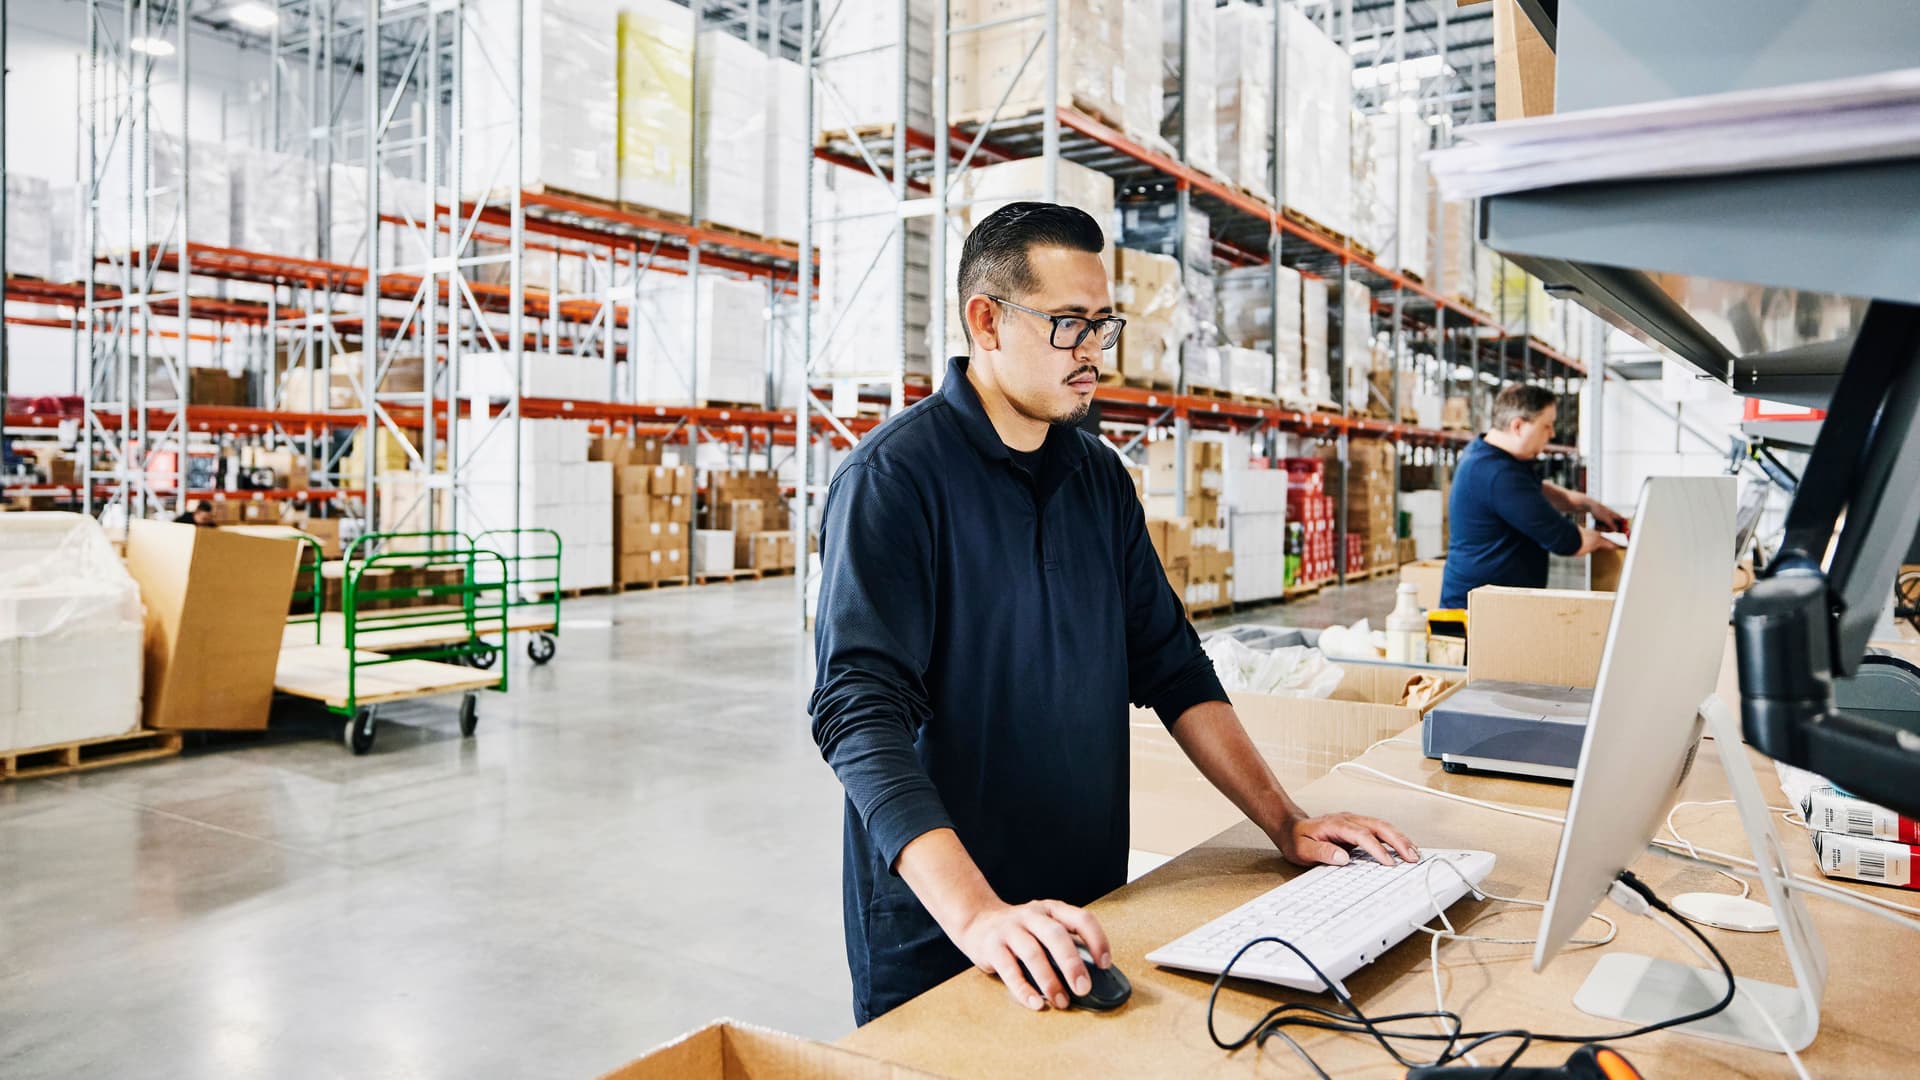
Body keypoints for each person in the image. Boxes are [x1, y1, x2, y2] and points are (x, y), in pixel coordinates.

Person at [809, 201, 1420, 1026]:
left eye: (1103, 325)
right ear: (985, 321)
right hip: (948, 931)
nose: (1095, 352)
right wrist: (978, 915)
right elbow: (858, 715)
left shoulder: (1097, 479)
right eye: (1069, 325)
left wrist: (1286, 823)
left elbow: (1173, 666)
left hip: (1092, 910)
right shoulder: (894, 481)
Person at [1439, 383, 1624, 609]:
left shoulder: (1489, 454)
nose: (1552, 434)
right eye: (1546, 426)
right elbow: (1568, 541)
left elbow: (1535, 490)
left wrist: (1588, 504)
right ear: (1518, 426)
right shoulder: (1498, 474)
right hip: (1477, 611)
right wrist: (1611, 542)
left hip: (1494, 605)